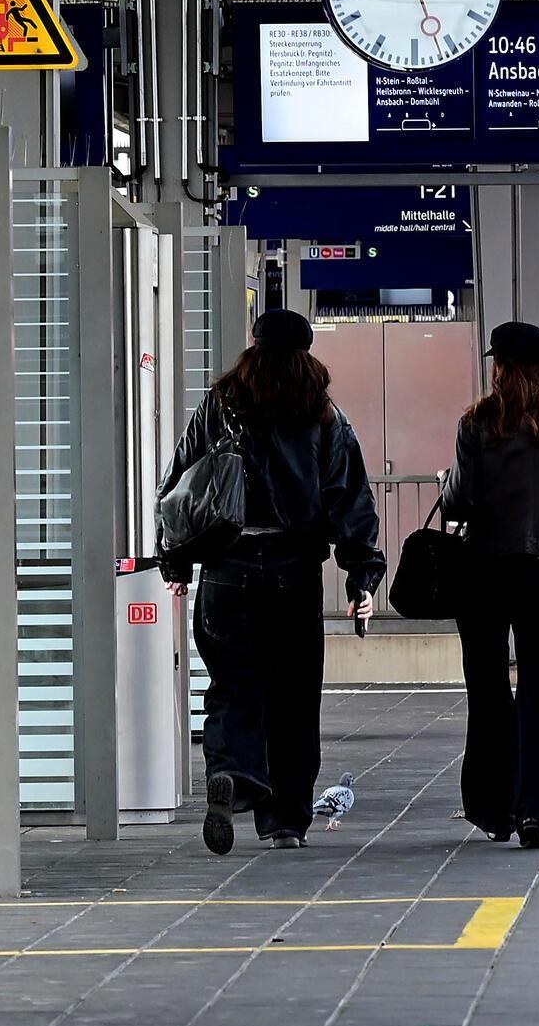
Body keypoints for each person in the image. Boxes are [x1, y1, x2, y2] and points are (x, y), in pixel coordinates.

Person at [158, 310, 384, 855]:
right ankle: (285, 821)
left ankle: (233, 774)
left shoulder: (219, 405)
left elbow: (182, 484)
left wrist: (176, 562)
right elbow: (349, 494)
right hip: (292, 569)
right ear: (308, 357)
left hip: (226, 569)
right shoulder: (322, 413)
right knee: (295, 698)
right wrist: (362, 576)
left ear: (252, 346)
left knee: (233, 686)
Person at [443, 322, 539, 849]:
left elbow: (460, 500)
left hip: (487, 570)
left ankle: (493, 809)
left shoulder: (479, 422)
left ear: (501, 367)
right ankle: (537, 811)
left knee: (488, 691)